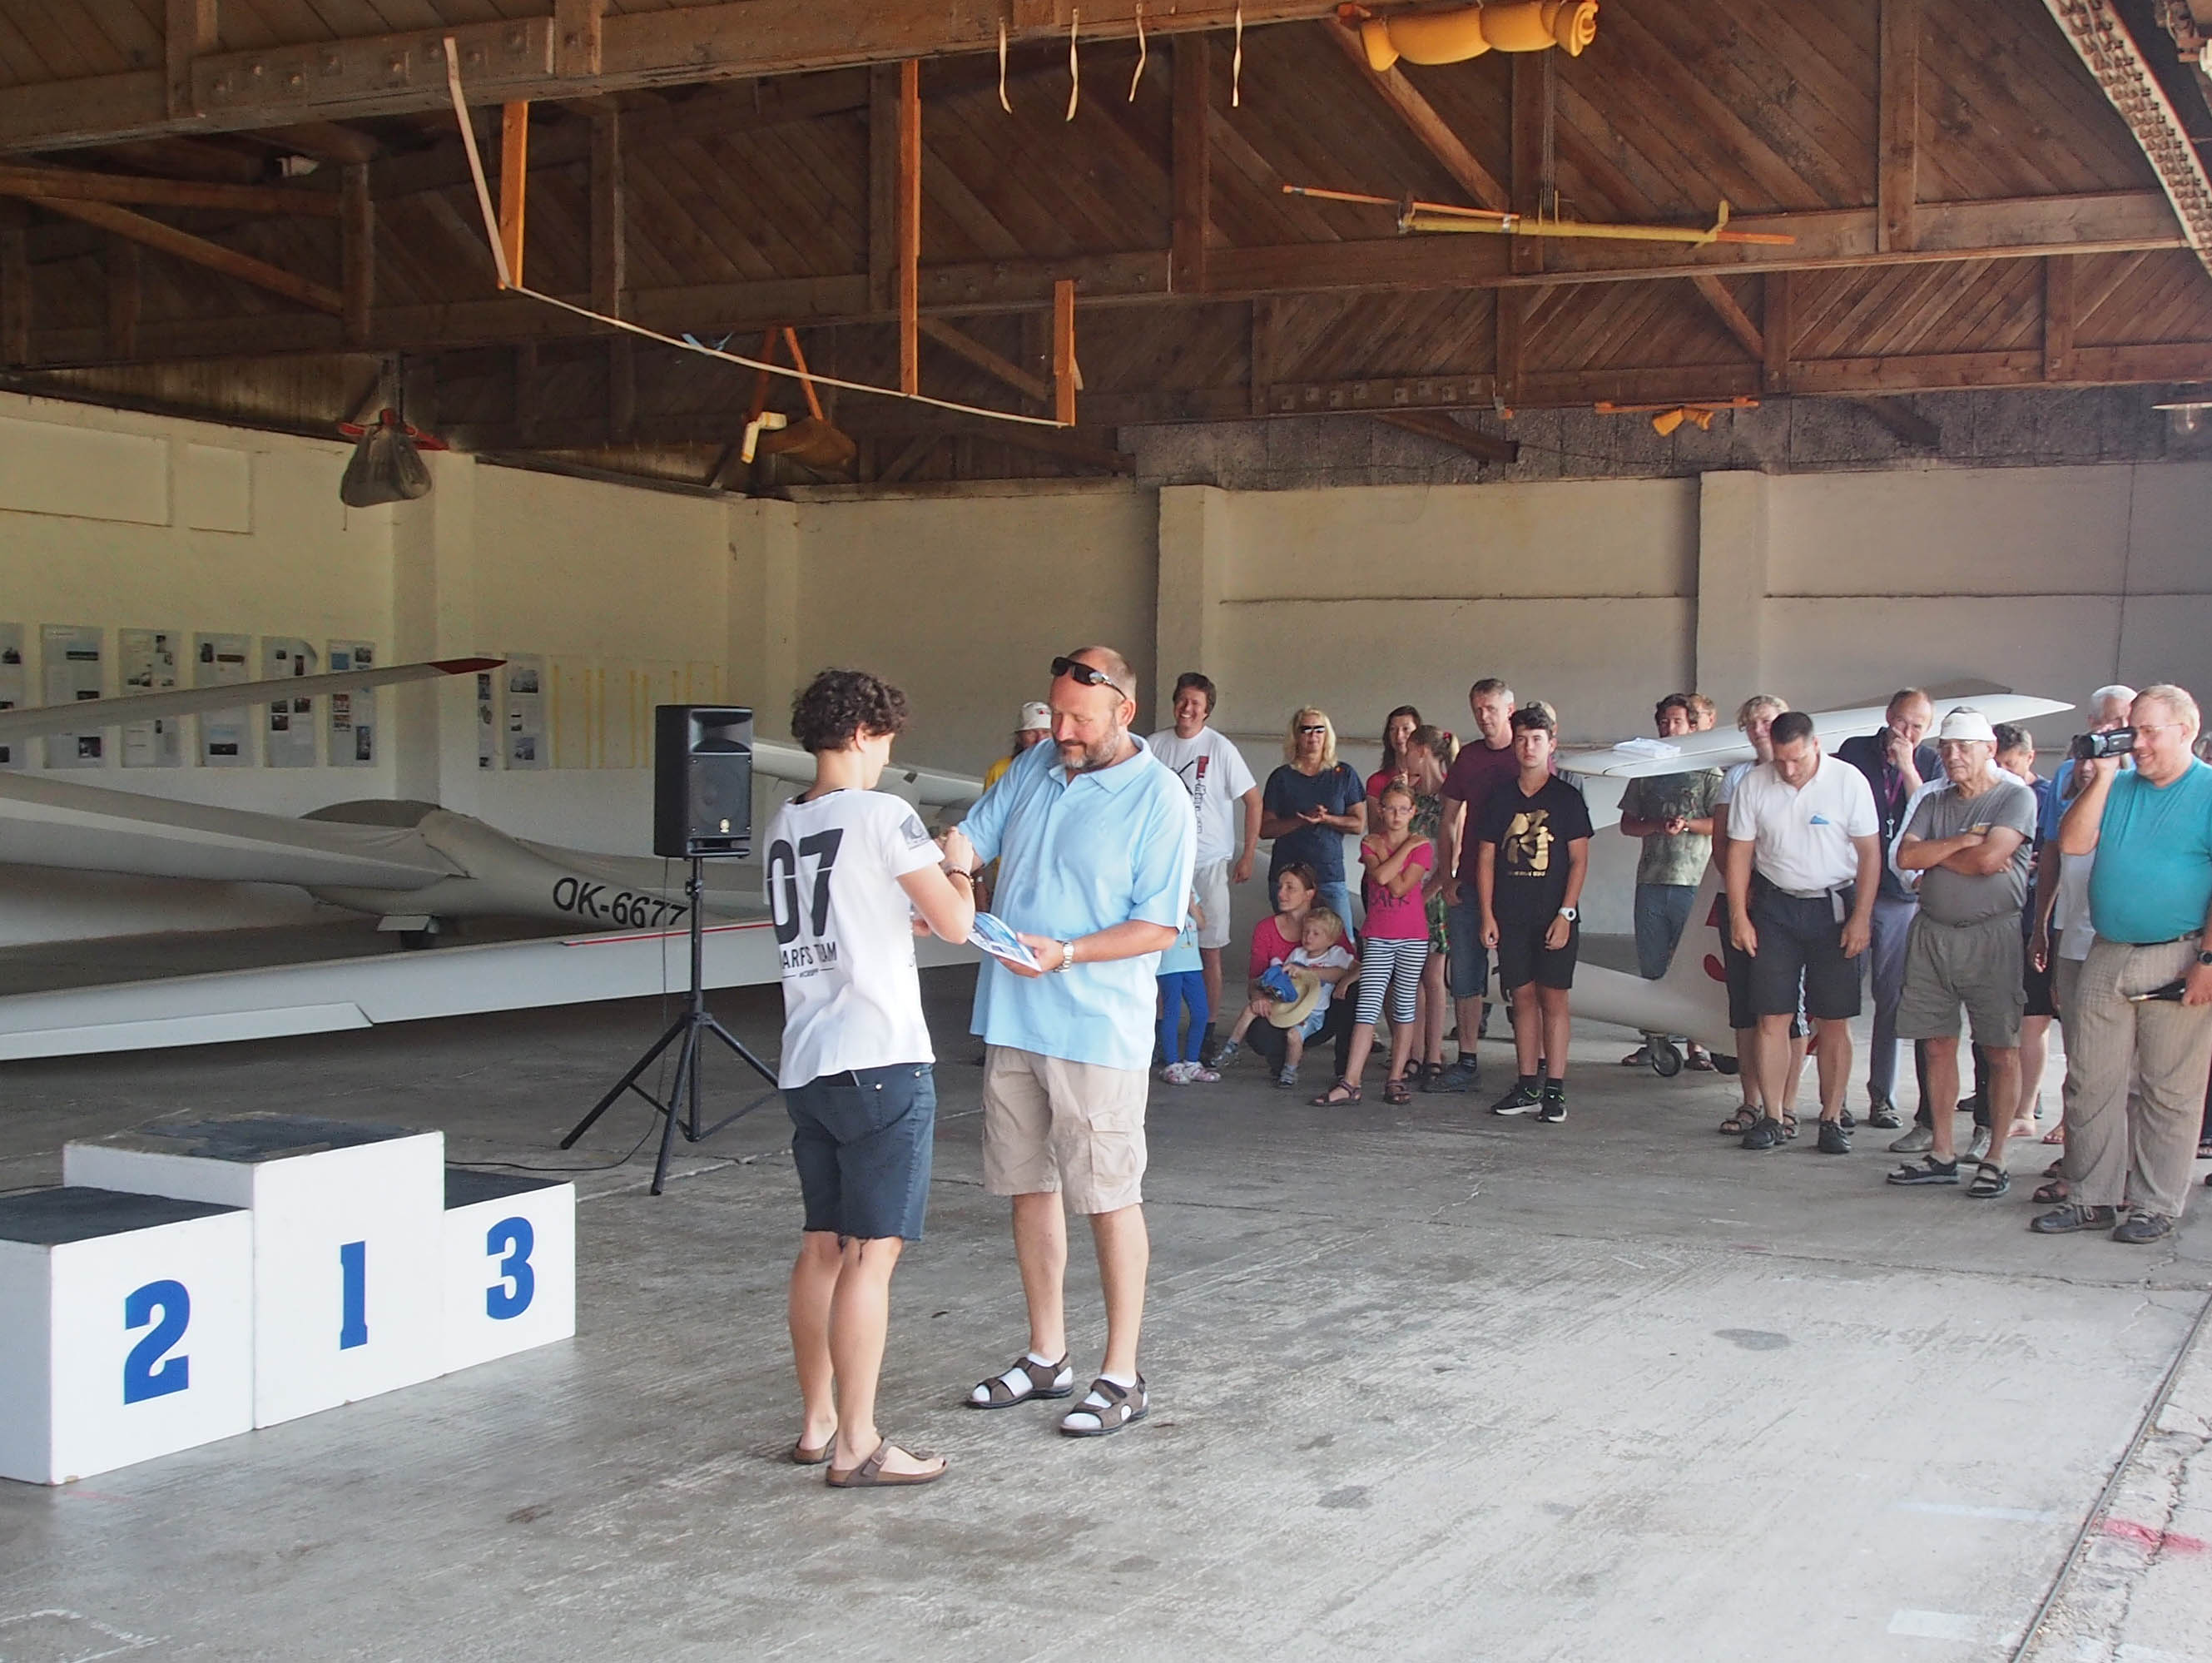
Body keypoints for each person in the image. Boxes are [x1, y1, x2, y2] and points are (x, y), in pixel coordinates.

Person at [956, 647, 1195, 1437]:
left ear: (1125, 712)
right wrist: (948, 881)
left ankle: (1122, 1376)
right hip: (1012, 1018)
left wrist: (1066, 953)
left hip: (1096, 1029)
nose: (1060, 731)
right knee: (1029, 1187)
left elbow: (1158, 925)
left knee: (1108, 1196)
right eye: (1055, 714)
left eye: (1078, 720)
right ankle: (1046, 1355)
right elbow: (969, 840)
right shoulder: (1035, 768)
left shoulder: (1160, 798)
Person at [772, 668, 978, 1490]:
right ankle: (859, 1443)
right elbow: (958, 924)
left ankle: (818, 1422)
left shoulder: (785, 822)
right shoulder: (885, 814)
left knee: (820, 1245)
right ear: (862, 733)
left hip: (808, 1060)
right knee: (870, 1256)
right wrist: (957, 865)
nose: (889, 755)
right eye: (886, 738)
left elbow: (854, 910)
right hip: (882, 1059)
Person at [2033, 685, 2212, 1244]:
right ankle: (2091, 1197)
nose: (2139, 744)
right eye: (2135, 731)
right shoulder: (2120, 784)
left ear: (2187, 730)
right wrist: (2104, 777)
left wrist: (2207, 960)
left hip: (2179, 951)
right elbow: (2073, 843)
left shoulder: (2207, 791)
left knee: (2169, 1089)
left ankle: (2155, 1204)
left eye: (2151, 732)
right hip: (2108, 948)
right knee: (2090, 1081)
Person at [1884, 709, 2040, 1196]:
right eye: (1946, 746)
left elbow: (1991, 859)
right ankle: (1943, 1152)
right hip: (1933, 934)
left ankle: (1996, 1156)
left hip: (1993, 935)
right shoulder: (1934, 798)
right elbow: (1906, 857)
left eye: (1963, 747)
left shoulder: (2015, 796)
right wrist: (1963, 842)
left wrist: (1942, 854)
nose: (1952, 756)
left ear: (1989, 749)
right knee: (1936, 1043)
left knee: (2000, 1048)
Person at [1725, 710, 1882, 1153]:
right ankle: (1773, 1116)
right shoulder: (1754, 784)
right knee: (1771, 1015)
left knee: (1833, 1018)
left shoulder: (1847, 781)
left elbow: (1870, 854)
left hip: (1834, 907)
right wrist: (1738, 915)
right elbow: (1739, 853)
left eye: (1797, 759)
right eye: (1781, 760)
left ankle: (1831, 1118)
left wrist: (1862, 917)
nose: (1789, 769)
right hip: (1774, 906)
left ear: (1816, 745)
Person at [2028, 687, 2137, 1203]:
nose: (2115, 733)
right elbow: (2055, 852)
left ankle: (2124, 1171)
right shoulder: (2072, 776)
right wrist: (2042, 926)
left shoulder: (2142, 781)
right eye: (2108, 723)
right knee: (2081, 1060)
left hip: (2124, 941)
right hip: (2073, 937)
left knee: (2128, 1068)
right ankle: (2083, 1161)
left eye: (2126, 723)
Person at [1476, 704, 1593, 1123]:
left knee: (1554, 998)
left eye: (1537, 740)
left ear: (1551, 745)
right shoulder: (1500, 798)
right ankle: (1527, 1083)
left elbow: (1579, 860)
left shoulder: (1567, 798)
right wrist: (1488, 915)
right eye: (1522, 739)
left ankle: (1554, 1088)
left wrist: (1566, 913)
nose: (1529, 747)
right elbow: (1486, 859)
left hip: (1553, 914)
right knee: (1521, 997)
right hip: (1511, 913)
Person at [1836, 690, 1939, 1139]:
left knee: (1892, 999)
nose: (1908, 733)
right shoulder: (1855, 751)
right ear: (1887, 717)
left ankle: (1882, 1096)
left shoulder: (1931, 762)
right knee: (1838, 995)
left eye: (1918, 727)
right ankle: (1835, 1097)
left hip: (1900, 898)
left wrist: (1908, 767)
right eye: (1902, 723)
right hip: (1853, 886)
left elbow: (1929, 813)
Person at [1148, 673, 1262, 1061]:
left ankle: (1208, 1028)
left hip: (1209, 863)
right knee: (1155, 947)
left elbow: (1253, 800)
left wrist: (1248, 853)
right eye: (1183, 700)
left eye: (1196, 703)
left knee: (1209, 949)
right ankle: (1157, 1030)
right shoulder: (1154, 746)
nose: (1187, 708)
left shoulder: (1220, 748)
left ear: (1207, 710)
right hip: (1165, 864)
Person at [1714, 695, 1811, 1138]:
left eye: (1767, 721)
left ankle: (1786, 1105)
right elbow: (1723, 844)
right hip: (1743, 902)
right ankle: (1752, 1102)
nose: (1759, 730)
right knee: (1746, 1009)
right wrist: (1742, 895)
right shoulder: (1736, 778)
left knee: (1790, 1011)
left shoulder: (1809, 776)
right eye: (1750, 724)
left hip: (1788, 905)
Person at [1617, 693, 1723, 1069]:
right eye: (1664, 722)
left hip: (1693, 880)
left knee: (1692, 965)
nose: (1669, 728)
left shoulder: (1709, 772)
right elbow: (1627, 824)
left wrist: (1688, 825)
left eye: (1677, 721)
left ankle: (1697, 1045)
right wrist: (1656, 826)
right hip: (1652, 878)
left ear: (1692, 726)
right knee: (1652, 964)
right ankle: (1654, 1041)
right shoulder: (1646, 772)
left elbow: (1721, 822)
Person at [1315, 783, 1435, 1106]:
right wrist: (1402, 849)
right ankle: (1351, 1081)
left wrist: (1392, 854)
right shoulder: (1375, 843)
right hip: (1379, 934)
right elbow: (1380, 878)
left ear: (1413, 812)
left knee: (1404, 1006)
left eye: (1403, 809)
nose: (1396, 815)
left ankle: (1395, 1077)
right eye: (1390, 808)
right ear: (1380, 810)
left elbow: (1399, 886)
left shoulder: (1421, 847)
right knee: (1367, 1007)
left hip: (1412, 936)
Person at [1431, 678, 1522, 1093]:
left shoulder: (1526, 753)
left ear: (1509, 710)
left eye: (1491, 709)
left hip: (1518, 883)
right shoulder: (1468, 758)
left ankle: (1531, 1065)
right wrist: (1447, 876)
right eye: (1478, 710)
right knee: (1466, 972)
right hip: (1468, 880)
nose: (1484, 717)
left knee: (1522, 976)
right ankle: (1467, 1059)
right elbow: (1448, 819)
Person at [1996, 722, 2059, 1139]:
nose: (2004, 773)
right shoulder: (1990, 796)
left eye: (2010, 765)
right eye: (1997, 765)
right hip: (1998, 917)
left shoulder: (2048, 796)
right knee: (2000, 1018)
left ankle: (2026, 1106)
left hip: (2037, 917)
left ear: (2029, 758)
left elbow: (2055, 853)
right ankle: (1997, 1094)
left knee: (2034, 1017)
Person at [1262, 707, 1367, 939]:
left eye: (1319, 730)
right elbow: (1265, 829)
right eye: (1306, 730)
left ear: (1327, 734)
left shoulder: (1343, 774)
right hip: (1289, 875)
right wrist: (1299, 820)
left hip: (1328, 873)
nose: (1313, 736)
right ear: (1296, 736)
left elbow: (1358, 824)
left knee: (1343, 943)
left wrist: (1326, 819)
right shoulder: (1281, 777)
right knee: (1293, 944)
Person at [1222, 909, 1354, 1087]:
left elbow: (1358, 968)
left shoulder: (1335, 954)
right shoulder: (1298, 954)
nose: (1308, 937)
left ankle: (1290, 1071)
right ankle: (1231, 1048)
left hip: (1312, 1013)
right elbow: (1285, 979)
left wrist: (1345, 981)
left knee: (1294, 1035)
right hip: (1289, 1004)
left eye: (1316, 934)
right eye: (1306, 931)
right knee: (1250, 1010)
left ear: (1330, 939)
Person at [1401, 725, 1459, 1086]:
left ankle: (1433, 1052)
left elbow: (1453, 856)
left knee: (1434, 977)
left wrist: (1426, 894)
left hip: (1434, 895)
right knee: (1413, 978)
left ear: (1422, 751)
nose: (1405, 756)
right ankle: (1414, 1051)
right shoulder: (1414, 799)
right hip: (1410, 891)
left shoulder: (1452, 799)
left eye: (1409, 749)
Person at [1155, 896, 1216, 1085]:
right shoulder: (1164, 891)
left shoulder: (1190, 891)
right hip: (1170, 965)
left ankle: (1192, 1061)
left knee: (1201, 1012)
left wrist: (1191, 905)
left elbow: (1202, 924)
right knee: (1172, 1013)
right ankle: (1172, 1063)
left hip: (1192, 965)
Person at [984, 701, 1053, 792]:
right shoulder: (1000, 770)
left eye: (1046, 732)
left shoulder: (1063, 772)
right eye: (1031, 733)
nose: (1040, 739)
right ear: (1019, 738)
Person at [1367, 705, 1424, 805]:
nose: (1399, 736)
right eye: (1393, 729)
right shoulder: (1377, 781)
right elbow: (1375, 815)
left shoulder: (1433, 780)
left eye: (1406, 729)